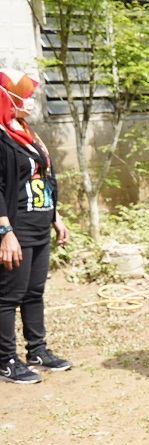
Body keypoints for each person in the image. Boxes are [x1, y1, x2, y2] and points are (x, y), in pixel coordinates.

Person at [0, 69, 70, 384]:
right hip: (15, 228)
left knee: (34, 291)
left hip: (40, 223)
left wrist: (55, 216)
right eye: (24, 95)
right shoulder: (2, 136)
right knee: (8, 295)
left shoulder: (27, 132)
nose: (30, 101)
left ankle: (37, 350)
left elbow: (44, 177)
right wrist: (5, 232)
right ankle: (5, 360)